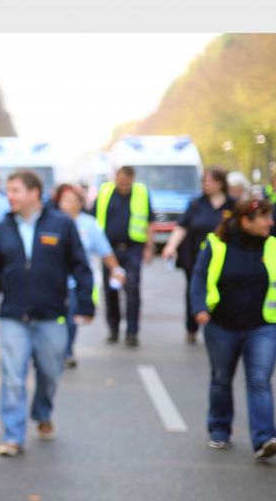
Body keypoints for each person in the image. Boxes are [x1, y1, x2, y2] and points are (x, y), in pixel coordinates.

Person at [0, 171, 94, 455]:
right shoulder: (2, 229)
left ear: (35, 193)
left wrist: (85, 303)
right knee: (13, 377)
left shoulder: (61, 225)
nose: (10, 196)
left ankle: (43, 413)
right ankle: (13, 436)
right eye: (8, 191)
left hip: (51, 316)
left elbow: (80, 265)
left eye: (16, 190)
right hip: (13, 317)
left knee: (49, 373)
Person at [189, 197, 276, 458]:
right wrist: (199, 308)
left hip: (262, 325)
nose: (270, 223)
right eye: (264, 218)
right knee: (221, 379)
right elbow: (200, 278)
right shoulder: (216, 244)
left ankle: (264, 439)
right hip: (221, 325)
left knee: (260, 380)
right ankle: (219, 429)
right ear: (245, 221)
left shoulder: (272, 245)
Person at [54, 183, 125, 368]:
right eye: (64, 200)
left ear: (80, 203)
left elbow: (105, 251)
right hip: (53, 281)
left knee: (71, 317)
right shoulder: (51, 222)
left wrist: (116, 270)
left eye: (71, 200)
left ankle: (67, 350)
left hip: (76, 282)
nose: (67, 204)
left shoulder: (89, 224)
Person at [162, 168, 234, 343]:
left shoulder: (232, 206)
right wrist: (171, 246)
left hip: (224, 260)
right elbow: (182, 226)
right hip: (197, 257)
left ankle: (221, 325)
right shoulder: (196, 204)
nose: (206, 184)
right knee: (194, 290)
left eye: (210, 181)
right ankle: (192, 326)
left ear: (221, 183)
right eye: (204, 181)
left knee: (224, 292)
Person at [96, 166, 155, 347]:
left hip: (133, 249)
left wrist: (149, 247)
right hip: (109, 250)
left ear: (132, 179)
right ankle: (113, 329)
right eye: (120, 178)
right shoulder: (105, 192)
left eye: (126, 179)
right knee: (111, 289)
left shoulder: (141, 193)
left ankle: (131, 332)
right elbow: (93, 219)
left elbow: (149, 222)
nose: (122, 182)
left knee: (132, 288)